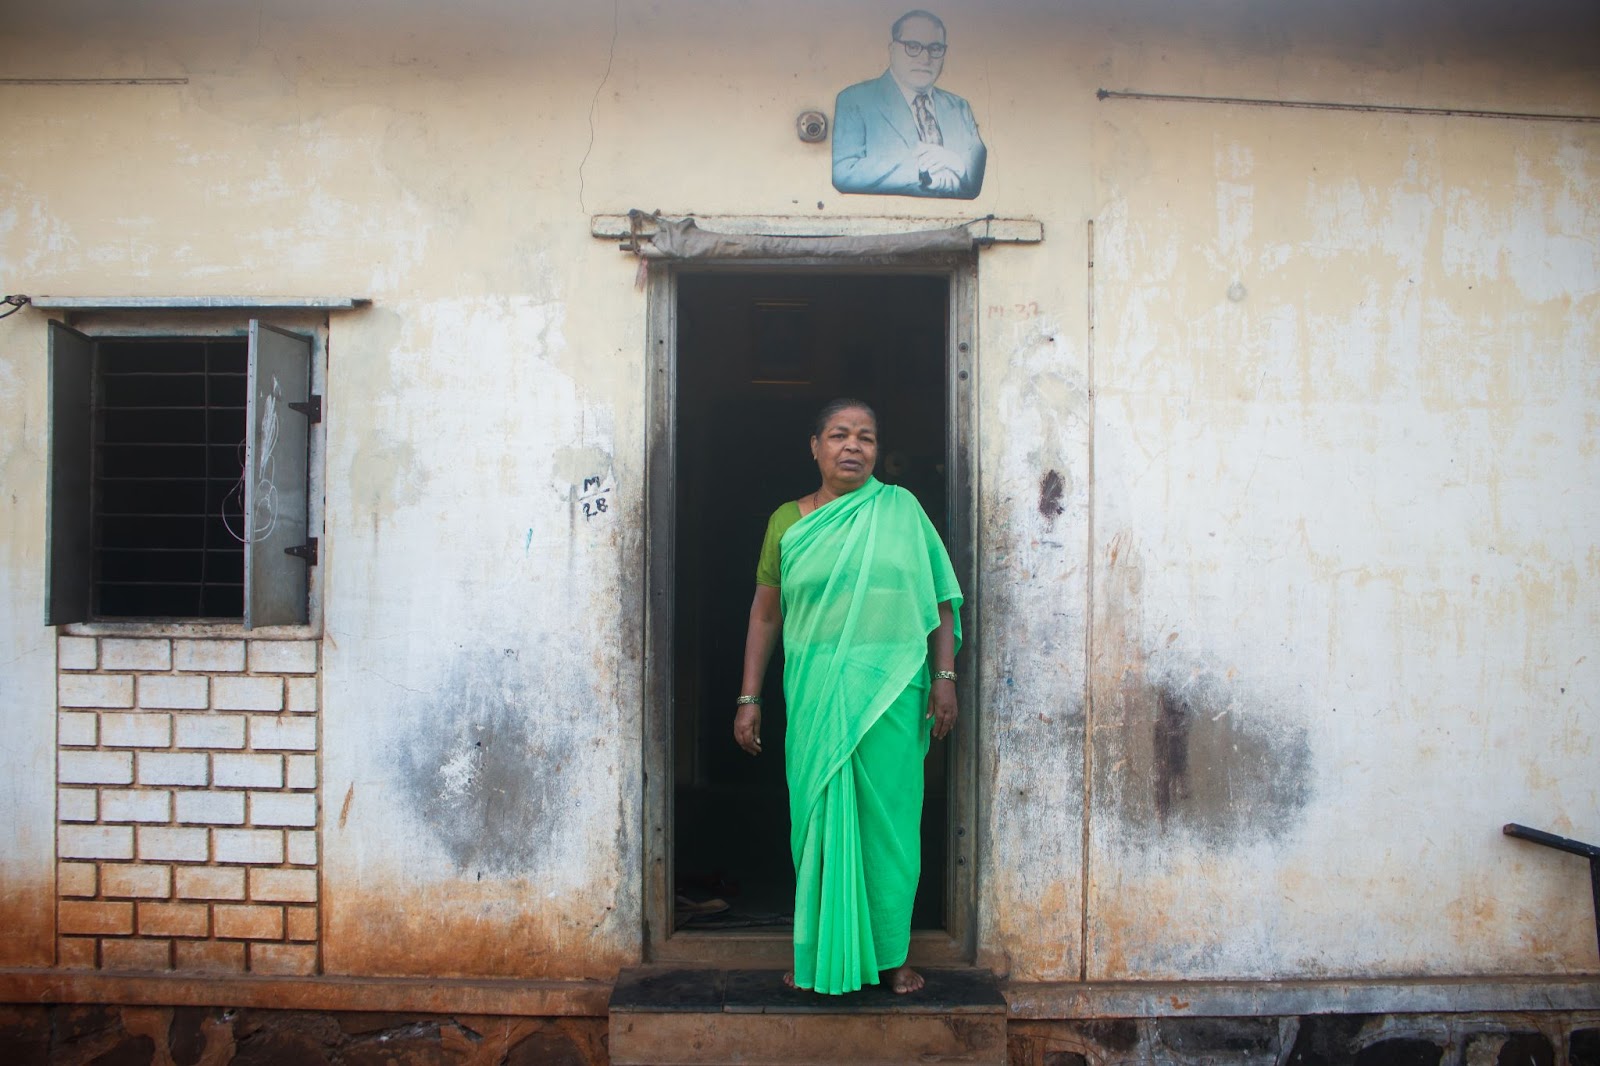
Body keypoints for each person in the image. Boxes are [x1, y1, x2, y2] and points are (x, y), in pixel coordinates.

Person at [733, 399, 962, 995]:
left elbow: (938, 600)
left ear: (877, 450)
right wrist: (748, 696)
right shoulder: (789, 521)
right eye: (839, 435)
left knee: (889, 828)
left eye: (865, 436)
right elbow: (765, 614)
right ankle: (818, 948)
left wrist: (944, 680)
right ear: (815, 446)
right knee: (816, 821)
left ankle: (891, 955)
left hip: (891, 696)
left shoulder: (902, 512)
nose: (852, 447)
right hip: (815, 697)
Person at [831, 10, 987, 200]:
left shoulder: (960, 107)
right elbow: (843, 173)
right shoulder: (855, 99)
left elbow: (974, 185)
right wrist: (919, 167)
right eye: (913, 46)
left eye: (935, 48)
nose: (925, 59)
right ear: (892, 50)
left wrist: (957, 164)